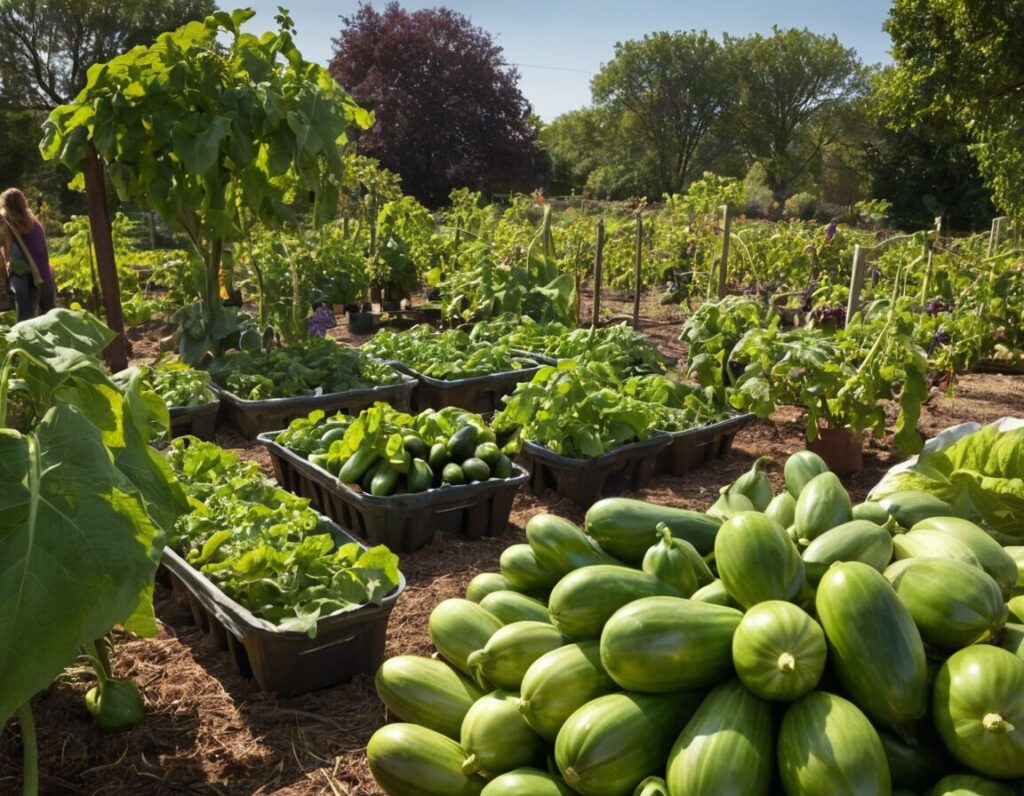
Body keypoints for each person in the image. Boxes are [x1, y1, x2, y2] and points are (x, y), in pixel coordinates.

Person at [0, 188, 56, 321]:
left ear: (5, 205)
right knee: (49, 318)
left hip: (25, 276)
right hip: (44, 274)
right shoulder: (35, 223)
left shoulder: (7, 223)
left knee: (26, 320)